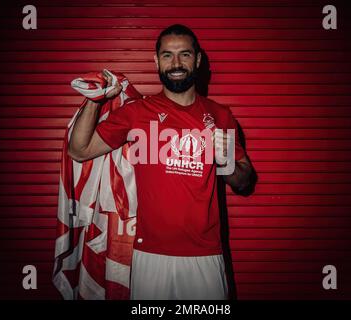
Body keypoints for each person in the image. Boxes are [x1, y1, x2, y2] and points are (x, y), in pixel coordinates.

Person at [68, 24, 253, 300]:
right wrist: (94, 101)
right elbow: (79, 150)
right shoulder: (136, 113)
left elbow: (244, 182)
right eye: (167, 55)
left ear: (198, 60)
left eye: (185, 55)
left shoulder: (220, 115)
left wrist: (224, 160)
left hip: (205, 255)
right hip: (149, 256)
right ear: (156, 61)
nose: (176, 63)